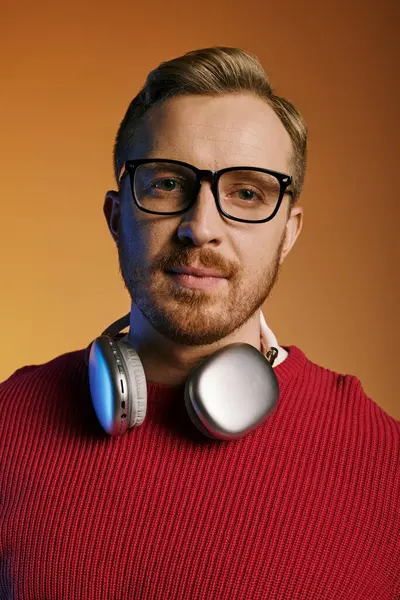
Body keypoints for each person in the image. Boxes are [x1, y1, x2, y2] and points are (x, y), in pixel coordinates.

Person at [0, 47, 398, 600]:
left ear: (289, 232)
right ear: (117, 218)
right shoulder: (10, 423)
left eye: (247, 193)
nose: (201, 227)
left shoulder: (382, 458)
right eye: (166, 184)